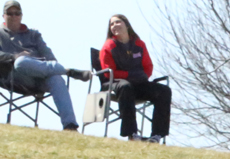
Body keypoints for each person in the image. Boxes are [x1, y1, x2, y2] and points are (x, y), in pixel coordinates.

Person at [0, 2, 90, 132]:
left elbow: (50, 58)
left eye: (17, 13)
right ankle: (68, 71)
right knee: (21, 62)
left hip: (40, 76)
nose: (14, 16)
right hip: (14, 77)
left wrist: (39, 64)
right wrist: (14, 57)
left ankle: (70, 126)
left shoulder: (34, 35)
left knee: (57, 79)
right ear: (3, 16)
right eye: (10, 13)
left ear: (21, 16)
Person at [97, 14, 170, 142]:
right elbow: (109, 73)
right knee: (126, 87)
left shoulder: (139, 44)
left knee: (164, 91)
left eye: (118, 22)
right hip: (114, 83)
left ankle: (157, 135)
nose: (114, 26)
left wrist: (142, 76)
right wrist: (129, 75)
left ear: (126, 24)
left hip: (138, 83)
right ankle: (131, 134)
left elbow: (148, 67)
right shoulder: (108, 46)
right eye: (111, 24)